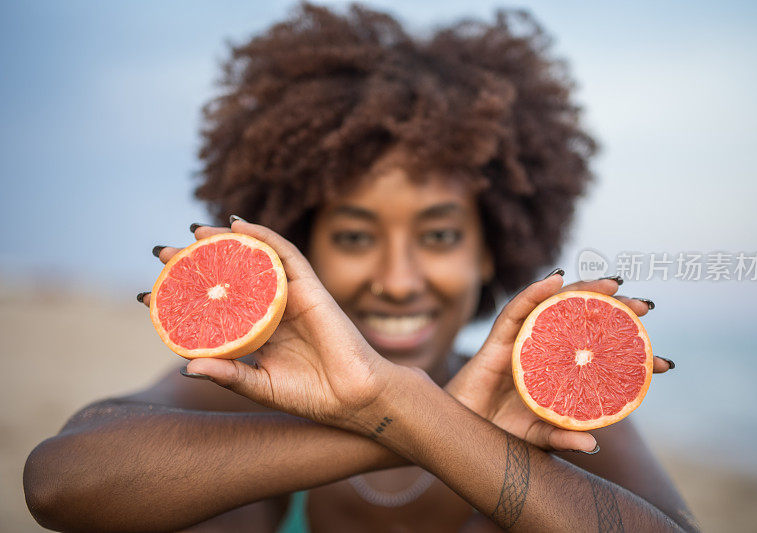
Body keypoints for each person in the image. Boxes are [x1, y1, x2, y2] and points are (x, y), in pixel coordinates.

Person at [23, 3, 697, 531]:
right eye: (352, 235)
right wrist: (410, 420)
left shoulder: (553, 402)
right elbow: (59, 483)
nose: (398, 278)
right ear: (303, 247)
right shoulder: (241, 394)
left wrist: (413, 416)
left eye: (438, 234)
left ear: (492, 246)